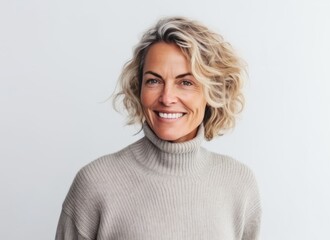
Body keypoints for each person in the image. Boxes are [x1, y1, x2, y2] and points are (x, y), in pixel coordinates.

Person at [55, 16, 261, 240]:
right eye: (154, 81)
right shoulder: (96, 183)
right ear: (139, 87)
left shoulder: (239, 184)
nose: (167, 97)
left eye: (186, 82)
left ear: (213, 92)